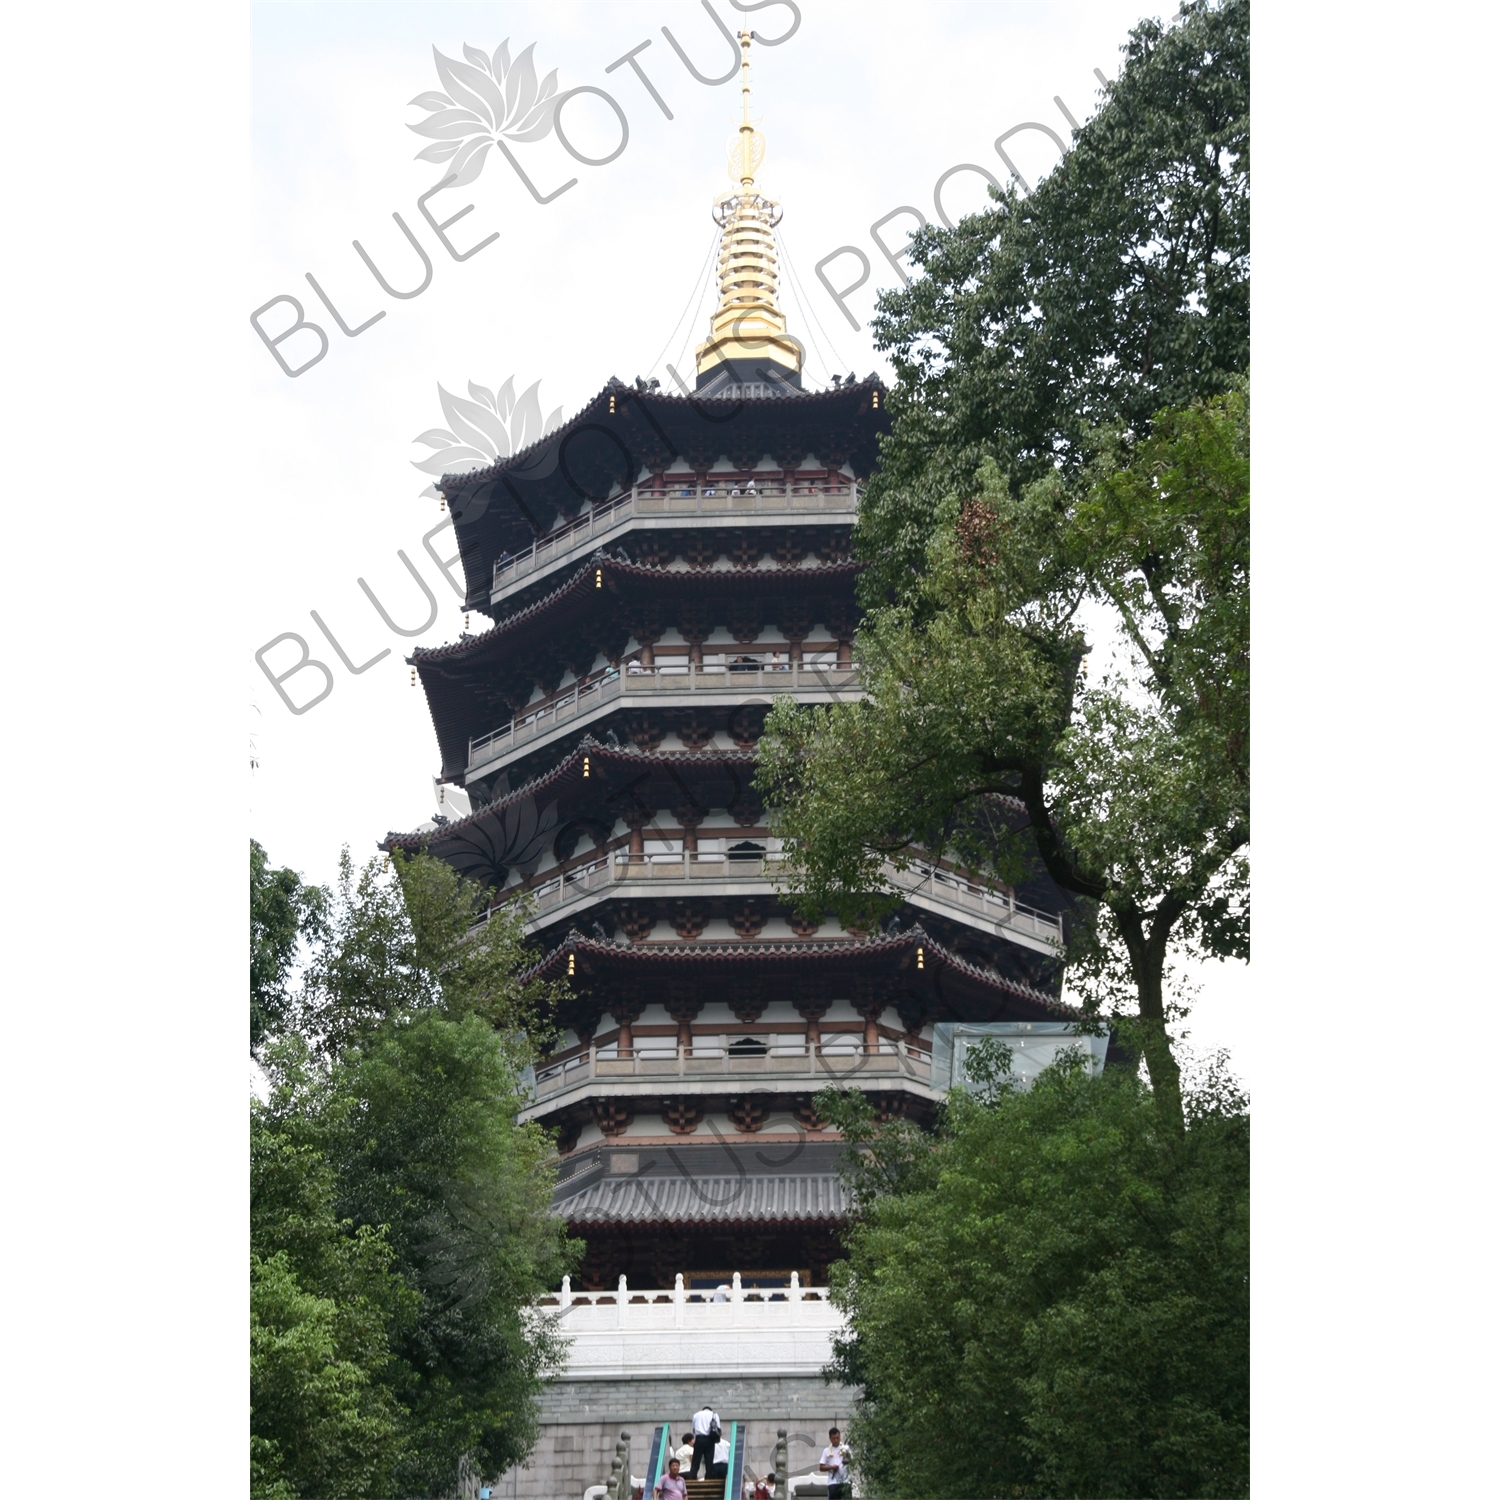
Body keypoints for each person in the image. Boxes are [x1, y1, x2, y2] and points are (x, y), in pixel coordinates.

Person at [690, 1404, 720, 1480]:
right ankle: (708, 1477)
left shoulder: (696, 1415)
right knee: (709, 1460)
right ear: (710, 1409)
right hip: (710, 1439)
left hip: (699, 1439)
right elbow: (718, 1428)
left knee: (696, 1460)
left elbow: (693, 1430)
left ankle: (692, 1476)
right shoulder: (714, 1415)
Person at [820, 1428, 851, 1500]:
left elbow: (852, 1461)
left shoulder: (846, 1448)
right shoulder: (826, 1451)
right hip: (833, 1483)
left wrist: (846, 1461)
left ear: (840, 1437)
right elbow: (821, 1467)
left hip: (845, 1481)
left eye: (837, 1438)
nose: (836, 1440)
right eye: (833, 1438)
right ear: (830, 1438)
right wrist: (831, 1467)